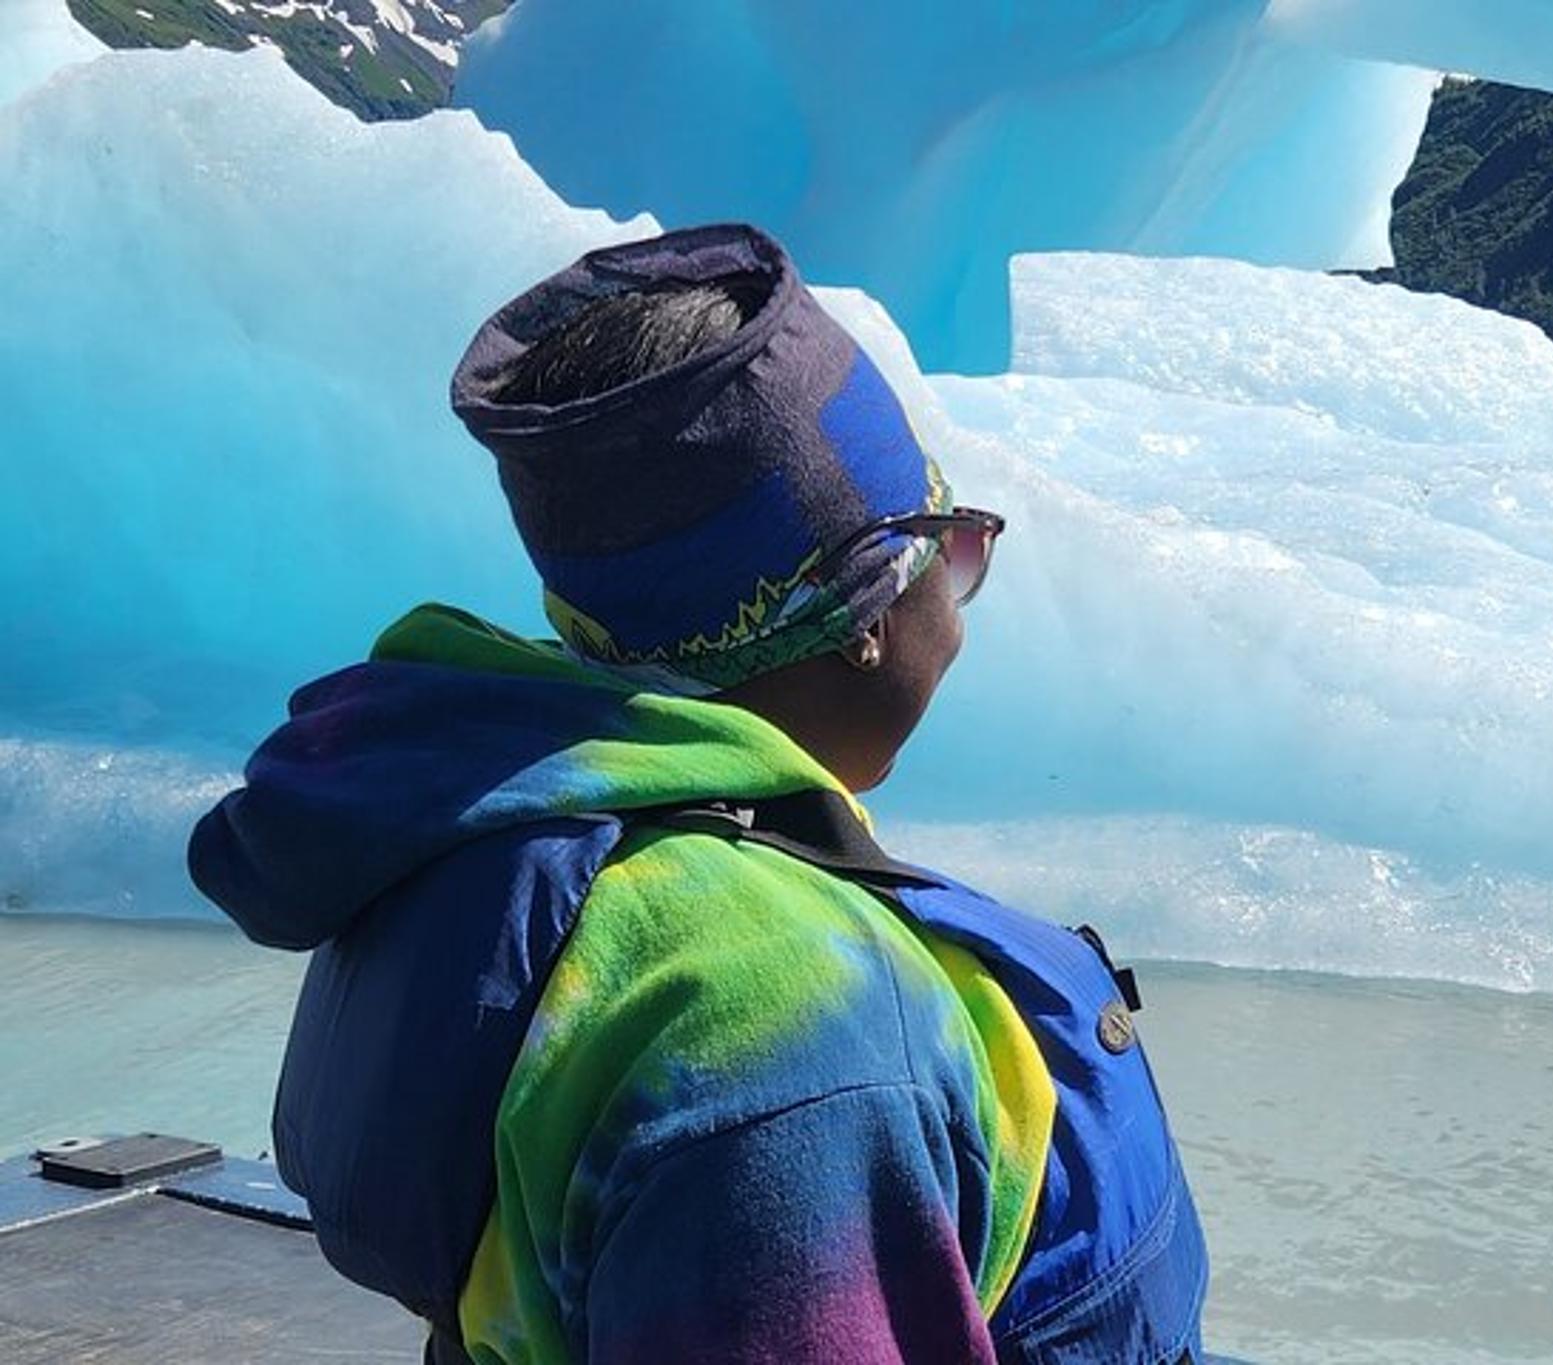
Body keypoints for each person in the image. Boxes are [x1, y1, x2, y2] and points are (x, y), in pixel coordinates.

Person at [188, 224, 1210, 1364]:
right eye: (949, 544)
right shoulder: (784, 1029)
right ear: (858, 615)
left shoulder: (484, 828)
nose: (964, 589)